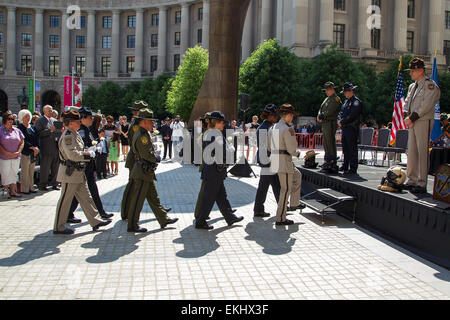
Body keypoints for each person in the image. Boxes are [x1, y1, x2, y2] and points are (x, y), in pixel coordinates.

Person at [53, 110, 111, 235]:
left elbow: (80, 148)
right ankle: (59, 226)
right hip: (70, 173)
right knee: (65, 200)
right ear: (71, 123)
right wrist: (87, 155)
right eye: (77, 121)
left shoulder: (74, 134)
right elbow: (72, 154)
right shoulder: (68, 135)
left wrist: (91, 150)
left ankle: (95, 221)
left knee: (86, 197)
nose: (79, 123)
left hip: (77, 172)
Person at [127, 108, 179, 233]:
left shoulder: (142, 133)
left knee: (154, 198)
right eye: (150, 122)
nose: (153, 124)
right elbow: (146, 154)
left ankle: (164, 219)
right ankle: (132, 225)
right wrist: (155, 157)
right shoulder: (142, 135)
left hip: (145, 172)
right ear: (144, 122)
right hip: (142, 172)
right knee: (137, 200)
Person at [195, 111, 244, 230]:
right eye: (222, 122)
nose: (223, 124)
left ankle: (230, 217)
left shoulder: (215, 133)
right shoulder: (213, 134)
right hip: (213, 171)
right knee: (208, 198)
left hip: (215, 171)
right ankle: (200, 221)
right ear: (216, 122)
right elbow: (220, 152)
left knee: (221, 196)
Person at [67, 107, 113, 224]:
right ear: (83, 118)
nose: (91, 119)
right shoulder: (81, 130)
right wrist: (91, 148)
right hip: (83, 163)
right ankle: (98, 213)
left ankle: (98, 212)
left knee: (85, 188)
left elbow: (90, 141)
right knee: (83, 189)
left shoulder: (86, 129)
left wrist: (97, 144)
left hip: (88, 162)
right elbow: (81, 147)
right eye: (89, 117)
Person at [403, 58, 441, 194]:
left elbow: (426, 105)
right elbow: (406, 103)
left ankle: (422, 182)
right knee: (412, 150)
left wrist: (412, 117)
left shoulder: (430, 85)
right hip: (412, 122)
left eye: (413, 71)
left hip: (423, 120)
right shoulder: (413, 86)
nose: (411, 73)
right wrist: (406, 117)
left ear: (421, 71)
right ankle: (412, 179)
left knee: (422, 151)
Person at [268, 104, 304, 226]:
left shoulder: (272, 128)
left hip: (275, 160)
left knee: (297, 176)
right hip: (284, 161)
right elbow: (292, 150)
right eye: (292, 115)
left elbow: (268, 146)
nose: (292, 118)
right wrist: (301, 154)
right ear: (288, 115)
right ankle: (281, 218)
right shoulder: (288, 129)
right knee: (286, 189)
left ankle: (294, 203)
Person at [253, 104, 281, 218]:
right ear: (270, 116)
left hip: (265, 159)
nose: (276, 117)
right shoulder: (269, 128)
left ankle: (282, 204)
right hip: (268, 159)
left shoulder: (262, 126)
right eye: (275, 115)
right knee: (264, 186)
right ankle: (258, 209)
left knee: (275, 183)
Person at [34, 105, 61, 191]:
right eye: (49, 110)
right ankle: (43, 184)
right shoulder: (40, 120)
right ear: (44, 111)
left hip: (55, 147)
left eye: (51, 110)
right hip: (46, 147)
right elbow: (39, 133)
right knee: (45, 167)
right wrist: (50, 130)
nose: (51, 112)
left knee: (55, 167)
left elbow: (58, 132)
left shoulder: (54, 120)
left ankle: (54, 183)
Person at [317, 81, 342, 174]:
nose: (326, 91)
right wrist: (319, 115)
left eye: (328, 90)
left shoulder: (336, 99)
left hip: (330, 123)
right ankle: (327, 160)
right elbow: (321, 109)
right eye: (326, 90)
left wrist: (321, 116)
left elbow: (330, 110)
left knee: (330, 142)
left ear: (332, 89)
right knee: (326, 142)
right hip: (325, 123)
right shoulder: (327, 99)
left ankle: (332, 161)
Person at [338, 82, 362, 175]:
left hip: (352, 128)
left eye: (346, 92)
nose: (345, 94)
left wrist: (342, 121)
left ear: (351, 91)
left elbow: (352, 115)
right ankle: (345, 165)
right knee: (345, 148)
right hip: (345, 127)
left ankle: (353, 168)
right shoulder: (346, 102)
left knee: (352, 148)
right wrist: (339, 120)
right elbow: (341, 112)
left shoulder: (356, 102)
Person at [0, 111, 24, 198]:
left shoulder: (16, 130)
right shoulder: (1, 130)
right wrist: (7, 153)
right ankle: (5, 191)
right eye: (9, 119)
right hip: (4, 157)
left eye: (12, 119)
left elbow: (22, 141)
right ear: (5, 120)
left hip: (16, 156)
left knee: (14, 173)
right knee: (5, 173)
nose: (11, 120)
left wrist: (18, 151)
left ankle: (13, 191)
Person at [17, 109, 39, 194]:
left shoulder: (32, 127)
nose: (28, 118)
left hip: (33, 153)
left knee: (31, 171)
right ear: (22, 117)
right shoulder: (20, 127)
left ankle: (31, 187)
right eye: (26, 116)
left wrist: (36, 148)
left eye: (28, 116)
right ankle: (24, 189)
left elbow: (36, 138)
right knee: (25, 172)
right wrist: (31, 147)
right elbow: (23, 140)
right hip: (25, 152)